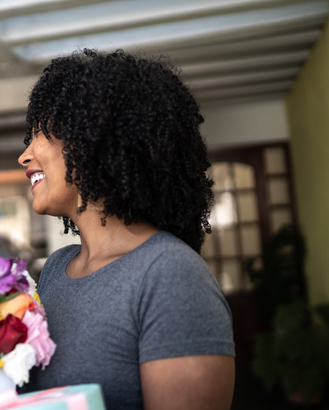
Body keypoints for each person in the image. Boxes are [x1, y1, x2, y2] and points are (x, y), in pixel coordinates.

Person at [18, 50, 235, 409]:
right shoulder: (56, 269)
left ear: (96, 140)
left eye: (43, 133)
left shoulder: (169, 273)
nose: (25, 155)